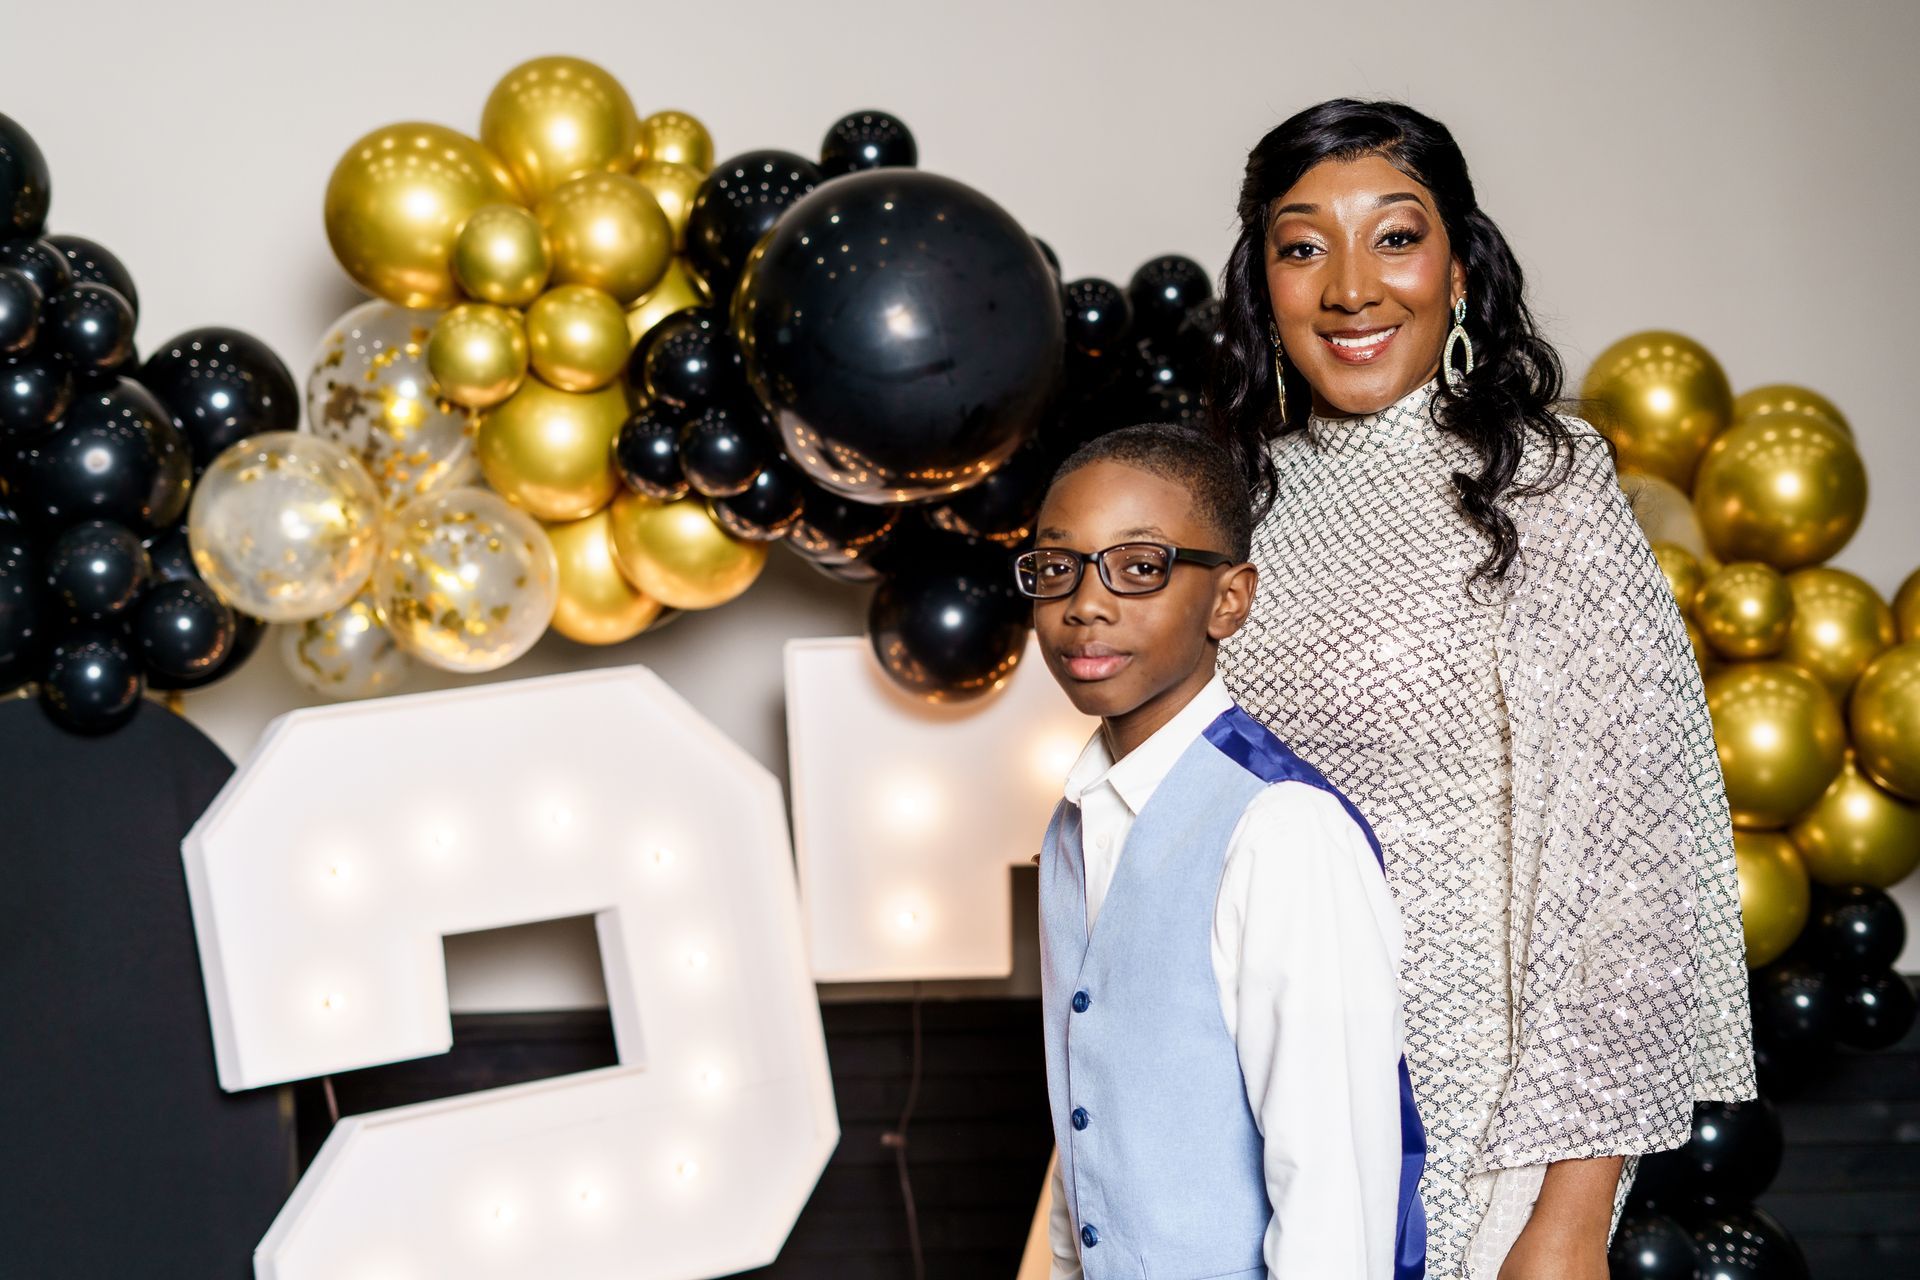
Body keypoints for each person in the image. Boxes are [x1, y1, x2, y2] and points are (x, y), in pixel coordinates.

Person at [1204, 99, 1754, 1280]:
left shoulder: (1544, 486)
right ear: (1264, 285)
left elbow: (1638, 872)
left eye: (1395, 236)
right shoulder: (1230, 503)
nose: (1352, 286)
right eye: (1304, 246)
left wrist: (1566, 1212)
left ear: (1460, 268)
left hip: (1473, 1119)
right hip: (1249, 1098)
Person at [1018, 423, 1425, 1280]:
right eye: (1057, 568)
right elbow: (1086, 1133)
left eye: (1140, 566)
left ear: (1229, 600)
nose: (1085, 603)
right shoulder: (1069, 826)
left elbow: (1331, 1199)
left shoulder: (1282, 831)